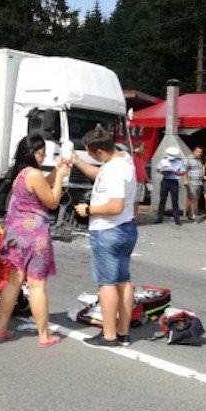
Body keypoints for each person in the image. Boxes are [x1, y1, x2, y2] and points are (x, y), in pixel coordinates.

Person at [0, 133, 69, 348]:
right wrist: (61, 177)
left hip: (15, 233)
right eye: (42, 151)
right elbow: (52, 201)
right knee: (37, 285)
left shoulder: (21, 173)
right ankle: (44, 335)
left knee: (13, 282)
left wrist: (56, 171)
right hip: (34, 235)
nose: (44, 155)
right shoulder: (34, 173)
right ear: (34, 152)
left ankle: (0, 331)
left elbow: (42, 187)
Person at [72, 126, 138, 347]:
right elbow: (100, 174)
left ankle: (108, 335)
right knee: (123, 281)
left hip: (108, 229)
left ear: (100, 151)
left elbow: (115, 205)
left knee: (107, 283)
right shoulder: (124, 160)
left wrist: (88, 210)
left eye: (90, 153)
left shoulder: (114, 171)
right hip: (126, 228)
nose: (90, 156)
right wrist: (78, 162)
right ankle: (123, 332)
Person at [155, 147, 186, 225]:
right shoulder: (163, 160)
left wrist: (174, 171)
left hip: (174, 181)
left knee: (175, 200)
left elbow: (182, 172)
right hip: (165, 180)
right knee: (162, 200)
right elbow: (158, 169)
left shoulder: (180, 162)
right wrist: (162, 170)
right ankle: (159, 218)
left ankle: (177, 219)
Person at [183, 146, 204, 222]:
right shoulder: (188, 159)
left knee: (196, 199)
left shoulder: (199, 160)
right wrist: (185, 180)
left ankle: (192, 213)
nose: (200, 153)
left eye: (201, 152)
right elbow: (184, 170)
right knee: (192, 198)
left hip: (199, 182)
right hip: (191, 182)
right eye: (198, 152)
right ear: (194, 151)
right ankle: (193, 215)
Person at [132, 143, 148, 218]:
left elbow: (143, 169)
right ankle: (131, 215)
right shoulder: (133, 156)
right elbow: (132, 153)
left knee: (137, 199)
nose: (143, 150)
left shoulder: (142, 158)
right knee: (133, 199)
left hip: (141, 180)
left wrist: (147, 178)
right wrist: (136, 151)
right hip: (135, 180)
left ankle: (135, 215)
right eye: (142, 148)